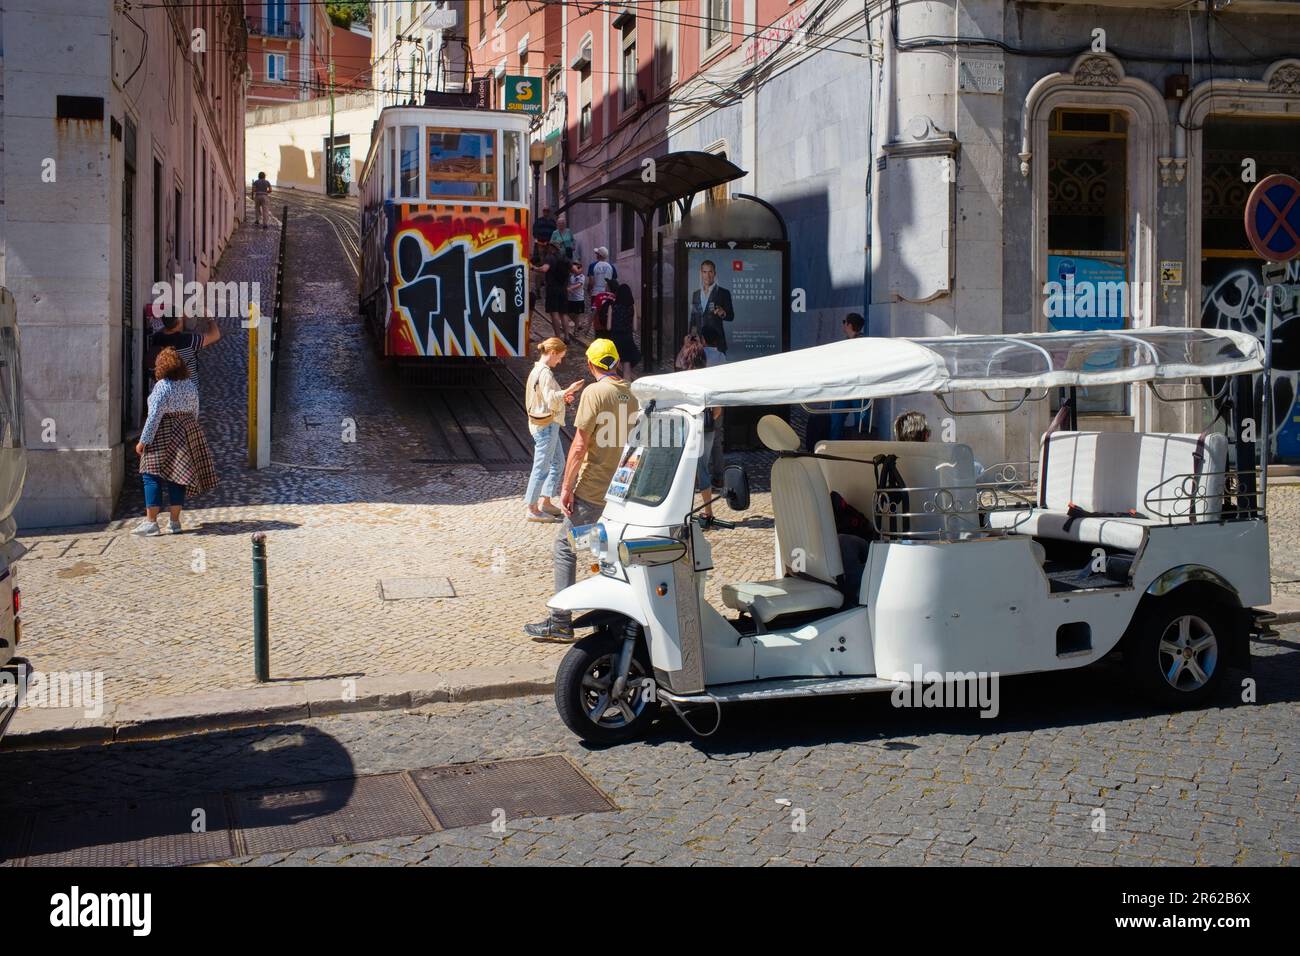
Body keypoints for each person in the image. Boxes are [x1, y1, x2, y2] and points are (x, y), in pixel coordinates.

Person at [525, 339, 639, 642]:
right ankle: (617, 620)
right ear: (613, 363)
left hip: (592, 489)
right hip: (621, 489)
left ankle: (560, 620)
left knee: (566, 546)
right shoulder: (632, 393)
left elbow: (579, 445)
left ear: (591, 365)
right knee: (607, 549)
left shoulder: (594, 392)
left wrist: (566, 487)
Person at [131, 347, 218, 536]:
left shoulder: (162, 386)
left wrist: (143, 441)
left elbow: (154, 416)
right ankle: (175, 522)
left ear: (161, 366)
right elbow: (195, 410)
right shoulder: (189, 385)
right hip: (188, 428)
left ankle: (151, 523)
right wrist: (189, 429)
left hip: (165, 429)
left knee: (150, 472)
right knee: (177, 475)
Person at [524, 337, 583, 523]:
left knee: (558, 462)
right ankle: (532, 508)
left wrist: (563, 397)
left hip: (545, 423)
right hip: (546, 425)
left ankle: (546, 501)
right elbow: (550, 399)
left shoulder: (537, 370)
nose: (560, 361)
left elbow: (544, 397)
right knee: (542, 466)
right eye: (560, 357)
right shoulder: (545, 373)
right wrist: (568, 390)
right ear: (552, 353)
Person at [676, 336, 724, 526]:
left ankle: (685, 511)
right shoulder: (708, 380)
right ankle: (708, 511)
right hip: (707, 427)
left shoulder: (683, 380)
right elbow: (718, 409)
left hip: (688, 429)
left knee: (687, 470)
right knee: (702, 467)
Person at [149, 307, 221, 388]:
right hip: (187, 389)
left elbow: (168, 326)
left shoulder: (157, 337)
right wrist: (210, 318)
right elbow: (215, 335)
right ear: (179, 321)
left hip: (166, 389)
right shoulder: (188, 340)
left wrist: (179, 318)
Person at [829, 312, 866, 441]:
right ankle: (834, 450)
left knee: (861, 425)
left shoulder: (864, 343)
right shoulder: (846, 344)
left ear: (849, 325)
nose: (843, 325)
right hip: (846, 389)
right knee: (837, 421)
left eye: (844, 322)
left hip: (858, 389)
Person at [689, 259, 734, 352]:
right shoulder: (696, 294)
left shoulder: (723, 293)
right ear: (701, 273)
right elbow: (694, 320)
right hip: (699, 345)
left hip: (717, 344)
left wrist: (722, 313)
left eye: (710, 272)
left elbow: (731, 316)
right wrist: (692, 339)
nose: (707, 275)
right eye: (704, 272)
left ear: (714, 273)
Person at [536, 242, 573, 343]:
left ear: (552, 248)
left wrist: (534, 268)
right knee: (564, 313)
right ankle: (567, 337)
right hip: (563, 289)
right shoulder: (565, 258)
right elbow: (576, 270)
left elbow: (544, 269)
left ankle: (558, 337)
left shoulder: (550, 257)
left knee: (554, 313)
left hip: (552, 288)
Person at [606, 282, 641, 378]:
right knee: (627, 370)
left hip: (615, 339)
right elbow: (635, 328)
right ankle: (627, 391)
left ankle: (614, 390)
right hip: (627, 339)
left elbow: (608, 327)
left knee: (612, 368)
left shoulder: (611, 307)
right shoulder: (632, 307)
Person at [566, 260, 587, 335]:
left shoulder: (582, 276)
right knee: (569, 313)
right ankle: (578, 324)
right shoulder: (571, 276)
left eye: (578, 267)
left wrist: (571, 288)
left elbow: (579, 284)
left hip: (579, 298)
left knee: (577, 314)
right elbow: (568, 284)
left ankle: (576, 330)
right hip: (571, 298)